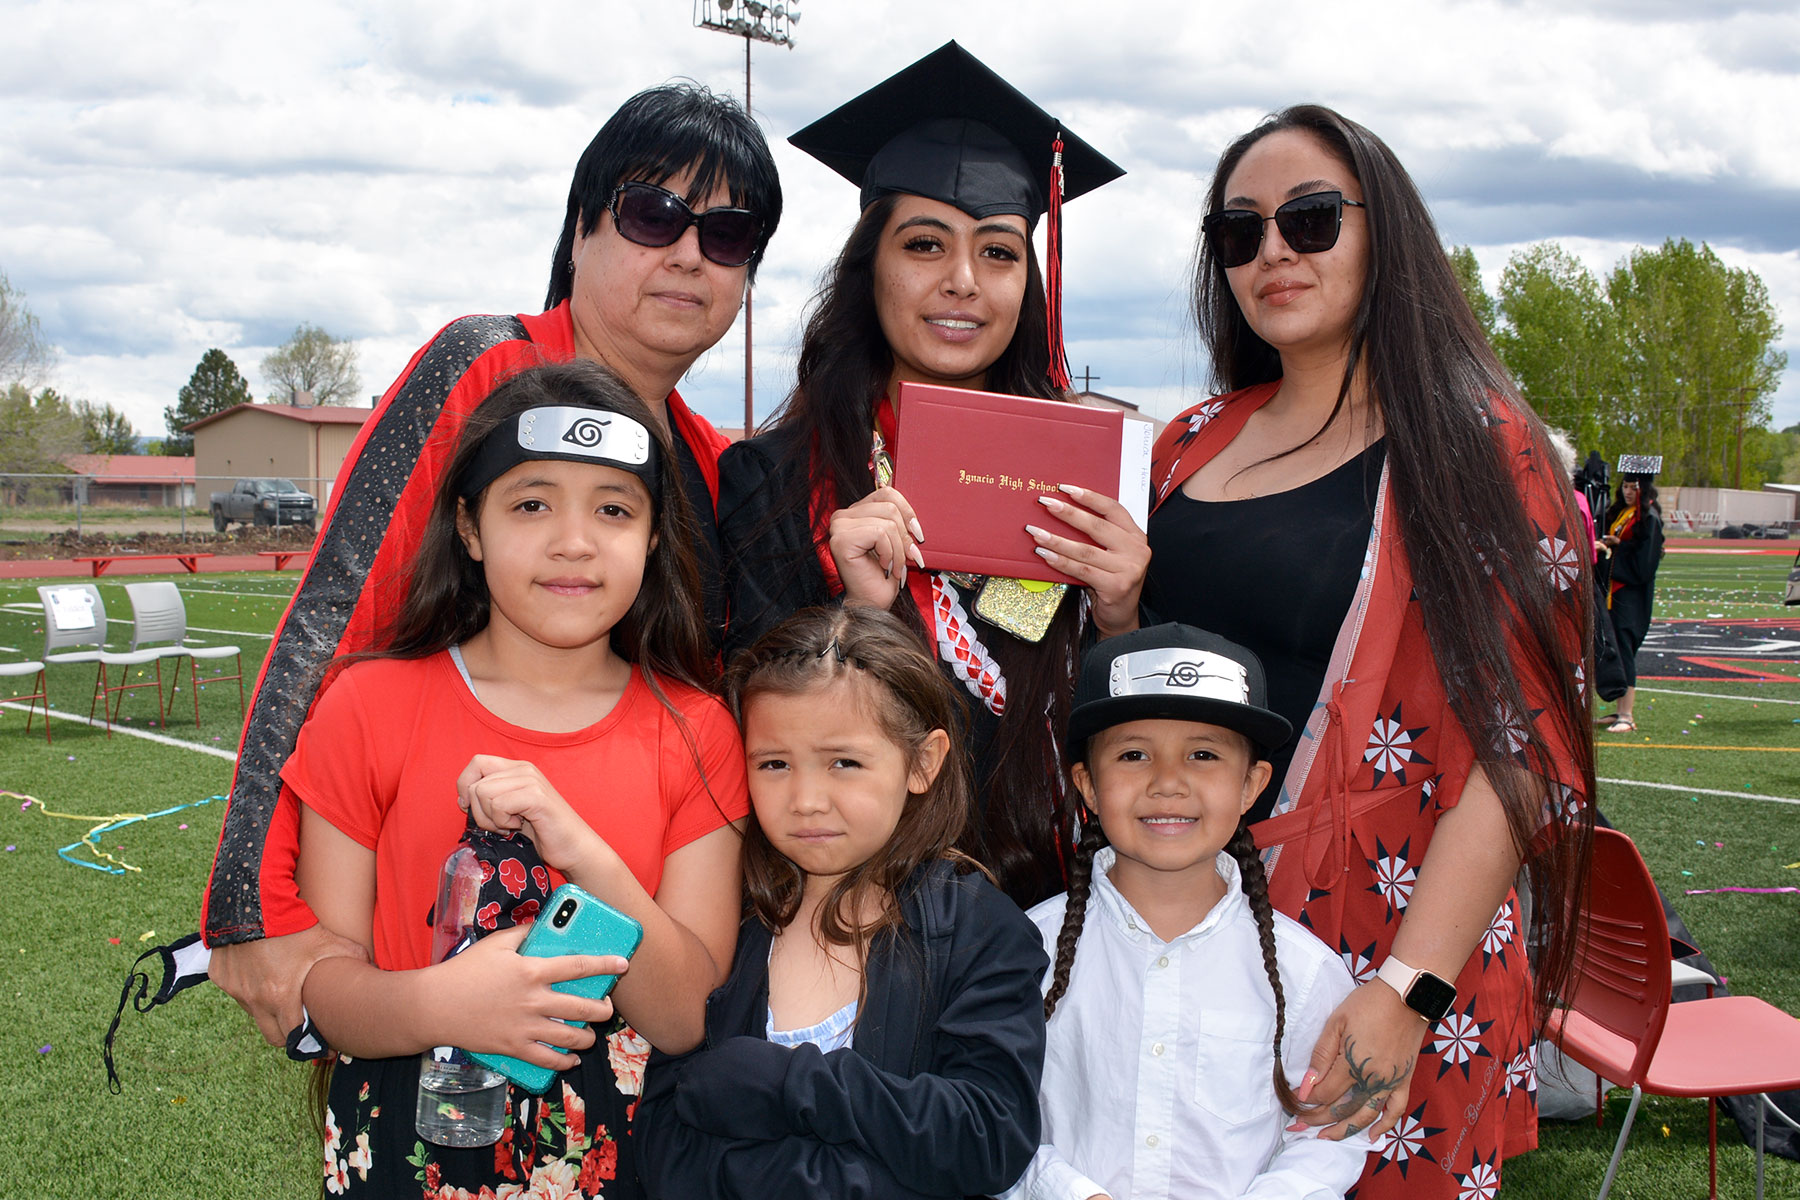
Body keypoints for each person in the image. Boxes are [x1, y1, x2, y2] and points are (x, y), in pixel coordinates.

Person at [203, 83, 782, 1047]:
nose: (689, 253)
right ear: (581, 229)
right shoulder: (484, 367)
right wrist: (248, 902)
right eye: (653, 214)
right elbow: (337, 609)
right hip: (429, 949)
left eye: (727, 235)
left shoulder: (712, 462)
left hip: (635, 994)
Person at [1139, 105, 1594, 1198]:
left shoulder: (1480, 449)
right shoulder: (1186, 443)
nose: (1273, 252)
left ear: (1384, 232)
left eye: (1309, 219)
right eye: (1238, 231)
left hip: (1385, 938)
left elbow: (1524, 752)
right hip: (1187, 923)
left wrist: (1408, 990)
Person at [291, 361, 749, 1196]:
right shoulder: (369, 704)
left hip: (626, 1152)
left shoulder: (698, 730)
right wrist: (446, 1005)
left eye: (614, 509)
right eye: (532, 504)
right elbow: (320, 988)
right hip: (407, 1136)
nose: (574, 541)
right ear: (469, 526)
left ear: (655, 536)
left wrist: (582, 851)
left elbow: (685, 1016)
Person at [718, 42, 1142, 907]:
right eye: (924, 244)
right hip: (852, 909)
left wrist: (1123, 616)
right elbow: (752, 739)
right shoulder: (777, 482)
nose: (963, 282)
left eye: (999, 252)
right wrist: (858, 616)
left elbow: (1127, 744)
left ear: (1030, 281)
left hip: (1054, 909)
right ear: (869, 265)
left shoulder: (1087, 483)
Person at [637, 604, 1047, 1199]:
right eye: (774, 764)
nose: (806, 799)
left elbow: (989, 1135)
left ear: (922, 763)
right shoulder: (727, 915)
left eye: (844, 763)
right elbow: (662, 1141)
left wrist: (791, 1082)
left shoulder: (977, 928)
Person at [1003, 624, 1370, 1200]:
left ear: (1251, 785)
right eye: (1133, 754)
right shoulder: (1024, 952)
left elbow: (1328, 1134)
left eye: (1203, 755)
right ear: (1089, 786)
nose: (1168, 782)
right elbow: (993, 1114)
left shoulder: (1305, 974)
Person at [1594, 460, 1665, 733]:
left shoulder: (1649, 519)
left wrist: (1618, 548)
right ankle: (1619, 710)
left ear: (1643, 489)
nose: (1628, 491)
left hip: (1632, 595)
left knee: (1625, 648)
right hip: (1615, 592)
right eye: (1625, 486)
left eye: (1634, 487)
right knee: (1618, 647)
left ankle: (1627, 715)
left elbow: (1644, 564)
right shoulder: (1624, 513)